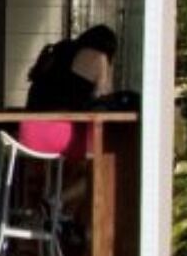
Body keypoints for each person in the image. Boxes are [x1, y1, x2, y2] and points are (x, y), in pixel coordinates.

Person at [21, 25, 118, 158]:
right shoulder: (99, 57)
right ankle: (82, 178)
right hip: (63, 136)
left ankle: (61, 177)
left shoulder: (59, 49)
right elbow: (104, 97)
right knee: (107, 141)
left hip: (28, 135)